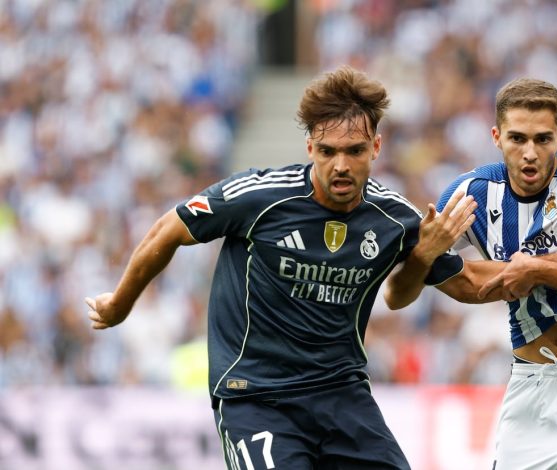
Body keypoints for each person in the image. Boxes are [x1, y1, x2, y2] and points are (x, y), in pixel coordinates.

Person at [85, 65, 490, 470]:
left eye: (354, 151)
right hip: (255, 395)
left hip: (341, 395)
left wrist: (527, 268)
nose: (341, 165)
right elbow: (168, 230)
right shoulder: (260, 197)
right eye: (328, 151)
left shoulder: (395, 219)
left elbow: (466, 283)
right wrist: (120, 303)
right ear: (310, 147)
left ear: (376, 147)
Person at [385, 78, 557, 469]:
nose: (529, 153)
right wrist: (422, 256)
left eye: (542, 139)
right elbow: (398, 295)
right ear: (496, 137)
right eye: (517, 139)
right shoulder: (471, 195)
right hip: (531, 389)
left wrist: (538, 269)